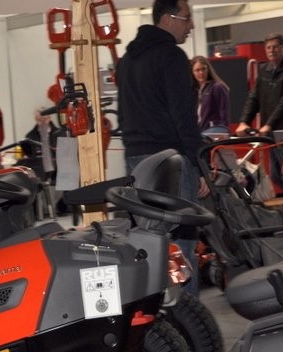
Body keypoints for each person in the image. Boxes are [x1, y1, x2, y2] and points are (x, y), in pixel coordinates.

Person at [117, 0, 207, 293]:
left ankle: (157, 313)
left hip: (137, 163)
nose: (191, 25)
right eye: (187, 18)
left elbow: (123, 115)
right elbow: (184, 118)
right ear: (168, 18)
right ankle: (187, 314)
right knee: (181, 249)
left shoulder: (128, 60)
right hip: (171, 164)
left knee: (151, 247)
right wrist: (199, 165)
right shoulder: (171, 57)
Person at [235, 33, 283, 212]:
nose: (272, 50)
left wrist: (269, 124)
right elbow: (254, 97)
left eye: (275, 47)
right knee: (277, 176)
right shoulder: (265, 70)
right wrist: (244, 121)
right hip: (273, 134)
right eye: (268, 47)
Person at [191, 55, 230, 137]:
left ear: (208, 69)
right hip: (200, 133)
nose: (201, 73)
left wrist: (223, 133)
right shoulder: (193, 91)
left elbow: (224, 115)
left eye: (203, 69)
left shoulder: (217, 87)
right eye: (197, 70)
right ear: (192, 72)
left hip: (215, 132)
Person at [22, 106, 61, 180]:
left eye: (45, 119)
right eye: (39, 120)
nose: (43, 122)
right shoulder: (29, 137)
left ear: (49, 118)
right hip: (39, 176)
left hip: (58, 175)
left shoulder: (61, 135)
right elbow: (27, 160)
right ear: (35, 120)